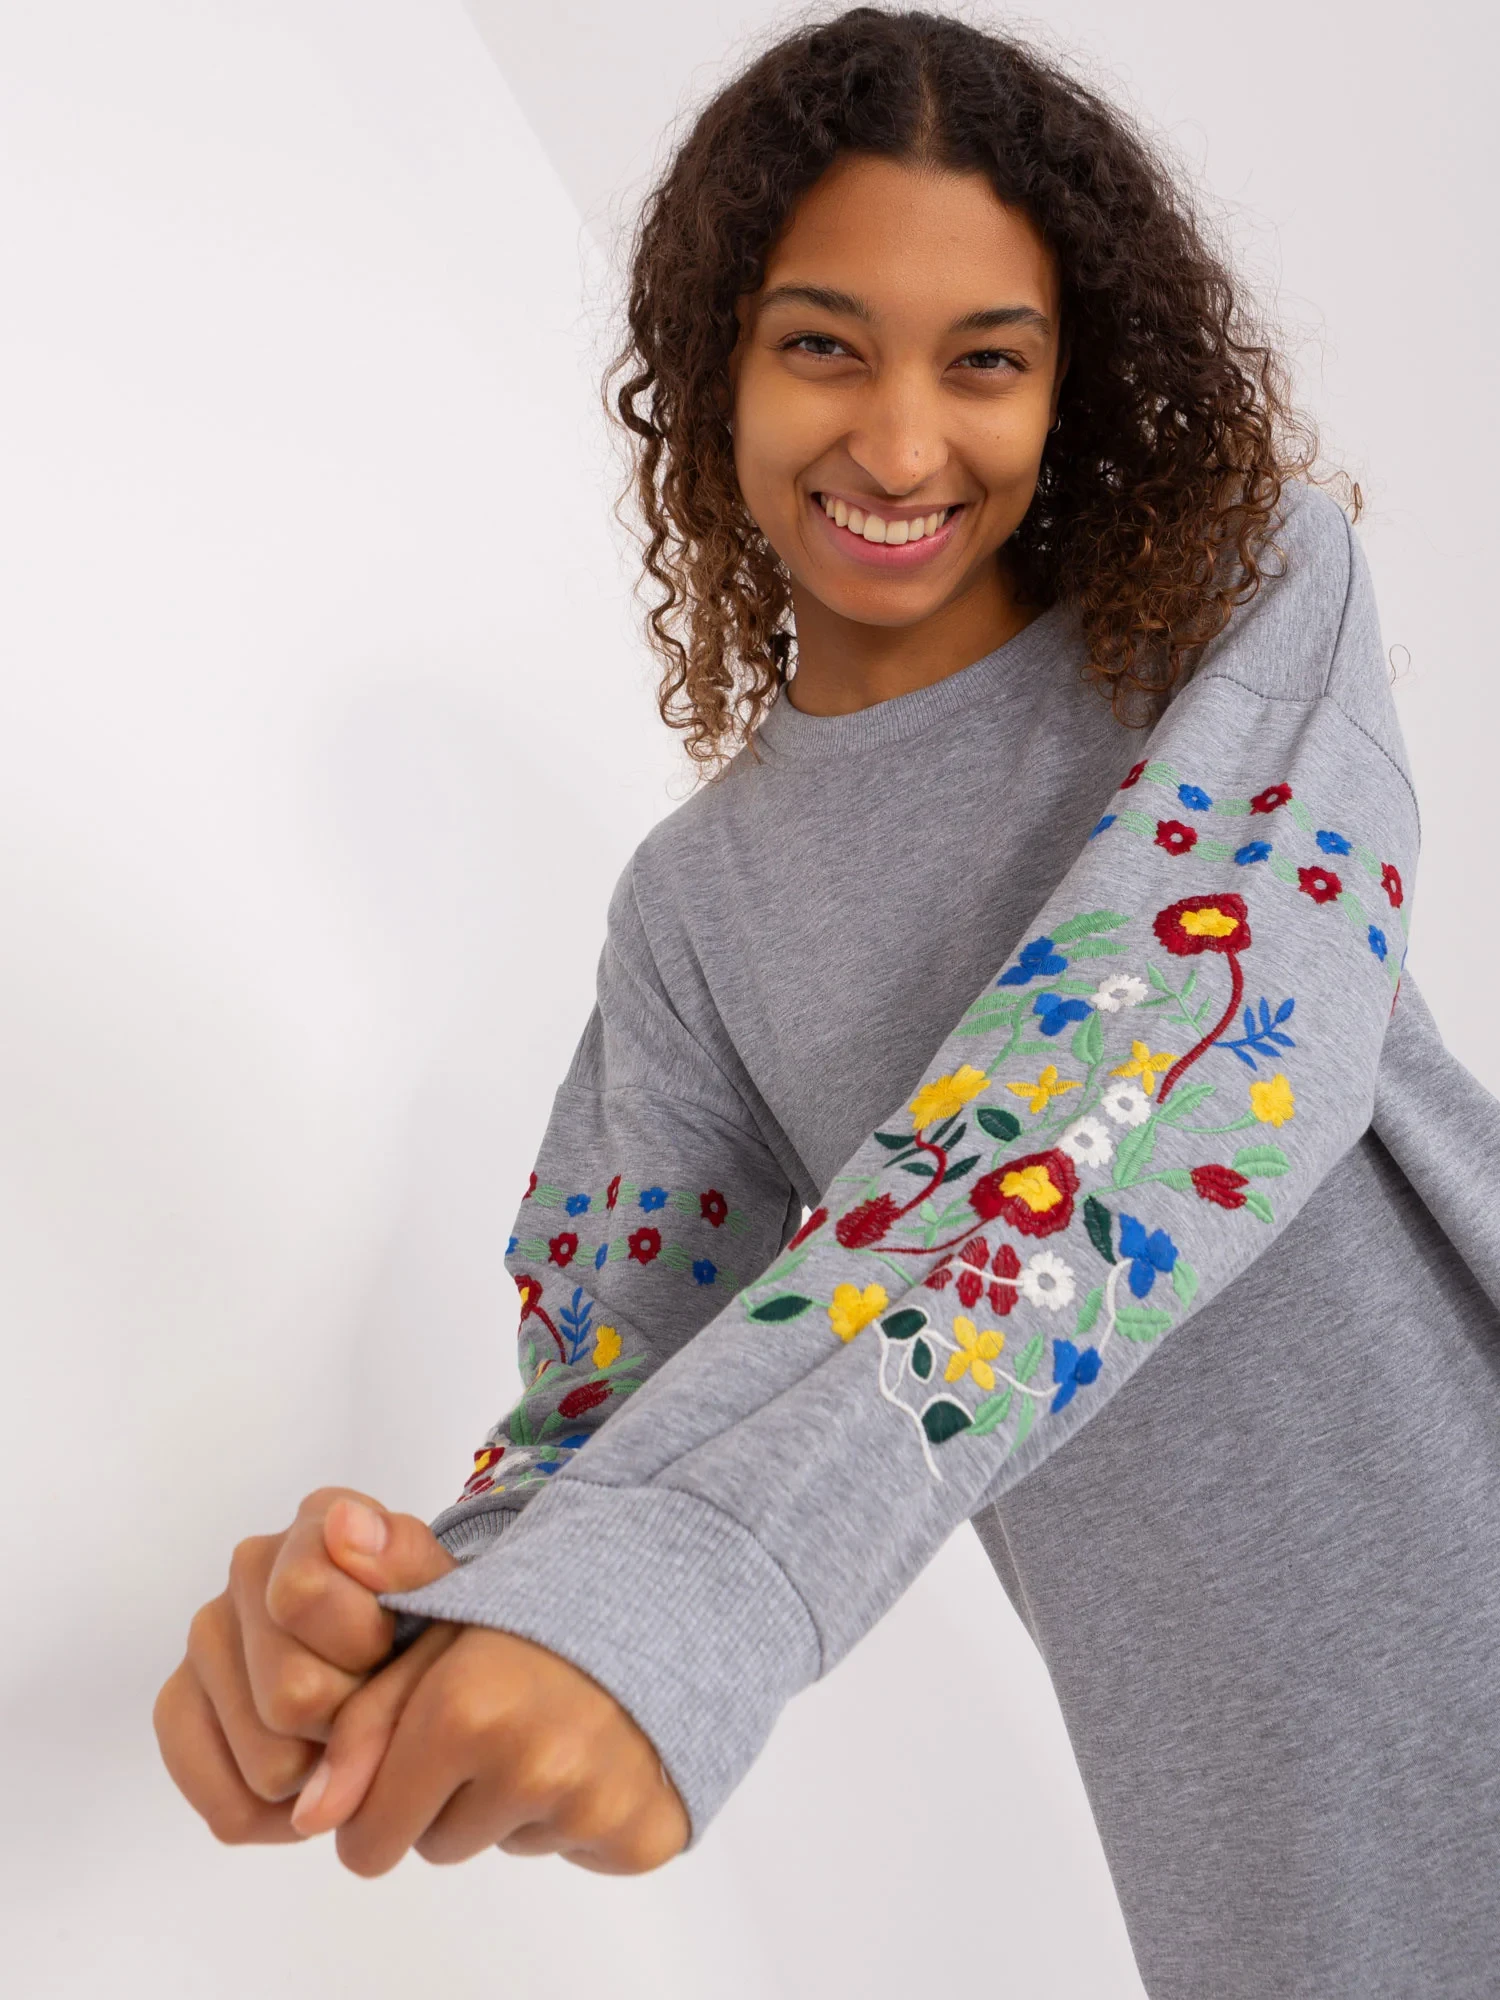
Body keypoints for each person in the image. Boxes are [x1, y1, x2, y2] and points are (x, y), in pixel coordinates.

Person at [152, 10, 1500, 1994]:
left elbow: (1161, 1055)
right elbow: (624, 1394)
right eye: (824, 346)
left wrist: (691, 1590)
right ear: (712, 363)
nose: (900, 442)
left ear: (1074, 376)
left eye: (986, 361)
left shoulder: (1250, 606)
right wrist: (432, 1616)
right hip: (1246, 1824)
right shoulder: (696, 916)